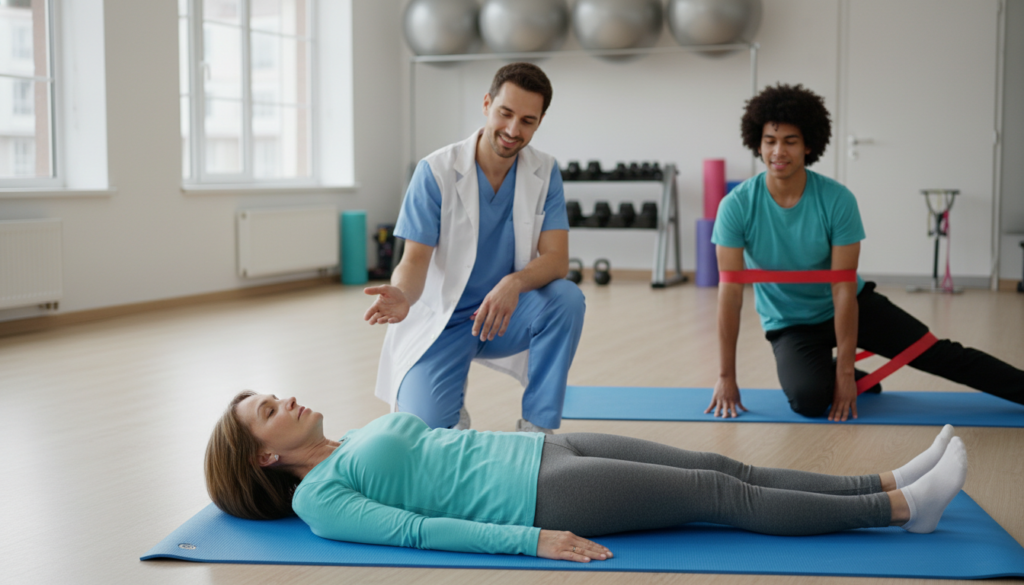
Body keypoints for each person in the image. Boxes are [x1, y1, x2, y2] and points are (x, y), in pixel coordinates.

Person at [205, 391, 969, 561]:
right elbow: (416, 531)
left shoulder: (348, 435)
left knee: (719, 460)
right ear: (263, 456)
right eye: (268, 410)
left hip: (542, 448)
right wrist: (534, 540)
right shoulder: (318, 499)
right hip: (544, 494)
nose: (285, 398)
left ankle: (886, 479)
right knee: (720, 498)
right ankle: (905, 510)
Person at [707, 83, 1024, 422]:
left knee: (937, 354)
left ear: (809, 145)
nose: (778, 151)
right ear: (757, 143)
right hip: (790, 323)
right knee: (808, 401)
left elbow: (843, 288)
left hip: (852, 305)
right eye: (770, 141)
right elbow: (730, 295)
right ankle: (829, 372)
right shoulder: (736, 207)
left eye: (790, 141)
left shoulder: (837, 200)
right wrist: (726, 376)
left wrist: (845, 372)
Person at [364, 62, 584, 434]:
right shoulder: (435, 171)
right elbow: (414, 260)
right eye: (506, 113)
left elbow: (557, 260)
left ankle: (537, 430)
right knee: (429, 435)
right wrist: (402, 293)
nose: (514, 131)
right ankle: (449, 408)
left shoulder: (545, 171)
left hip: (504, 315)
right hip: (442, 321)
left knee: (566, 298)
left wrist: (512, 284)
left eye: (528, 121)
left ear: (540, 121)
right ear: (487, 104)